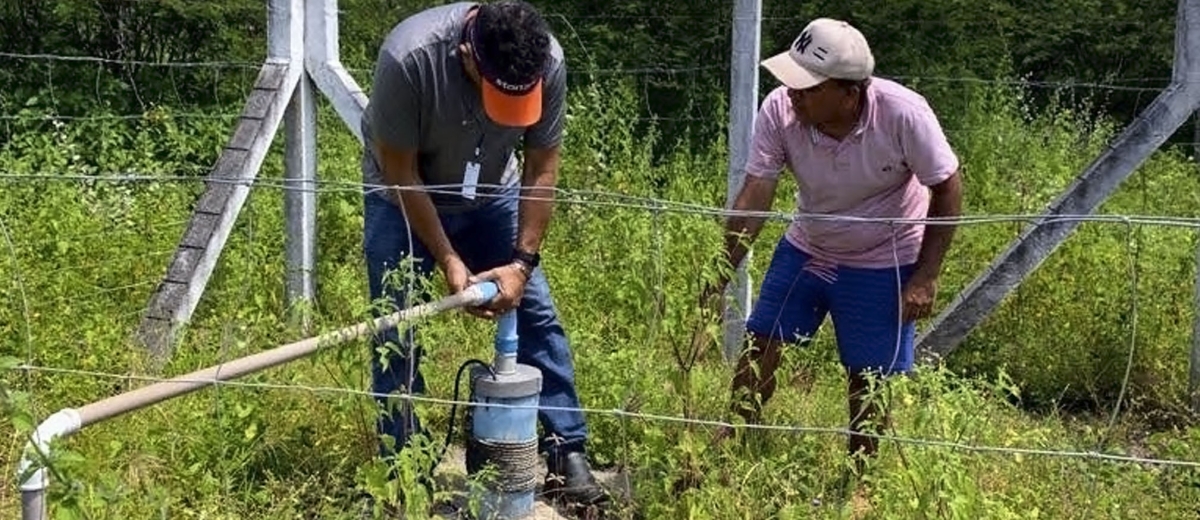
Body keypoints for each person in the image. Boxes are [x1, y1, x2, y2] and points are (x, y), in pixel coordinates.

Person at [358, 0, 609, 509]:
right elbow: (401, 171)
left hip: (493, 191)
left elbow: (541, 166)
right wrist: (450, 259)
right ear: (468, 55)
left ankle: (566, 451)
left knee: (535, 313)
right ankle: (404, 471)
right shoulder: (409, 59)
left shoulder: (547, 62)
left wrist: (521, 264)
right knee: (397, 326)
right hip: (400, 196)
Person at [702, 18, 963, 469]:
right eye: (791, 81)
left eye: (808, 87)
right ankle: (732, 440)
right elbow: (757, 191)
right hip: (810, 242)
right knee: (761, 339)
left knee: (868, 371)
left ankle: (860, 476)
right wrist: (720, 272)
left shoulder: (903, 114)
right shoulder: (780, 110)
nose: (792, 93)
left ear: (849, 93)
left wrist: (925, 276)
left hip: (885, 254)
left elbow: (947, 186)